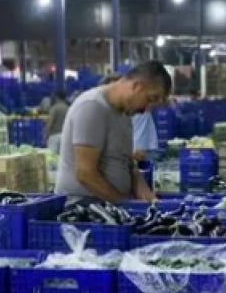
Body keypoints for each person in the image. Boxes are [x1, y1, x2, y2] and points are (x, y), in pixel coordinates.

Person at [54, 61, 172, 202]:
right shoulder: (92, 107)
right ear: (136, 86)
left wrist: (141, 187)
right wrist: (124, 203)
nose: (147, 108)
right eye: (150, 99)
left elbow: (127, 162)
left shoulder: (125, 113)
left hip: (111, 207)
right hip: (85, 211)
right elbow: (85, 174)